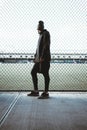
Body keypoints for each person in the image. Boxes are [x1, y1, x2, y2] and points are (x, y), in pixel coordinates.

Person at [27, 21, 51, 99]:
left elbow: (46, 45)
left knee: (45, 74)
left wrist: (42, 57)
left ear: (41, 27)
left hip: (44, 59)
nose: (38, 28)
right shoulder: (41, 35)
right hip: (39, 59)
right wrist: (35, 57)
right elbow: (38, 48)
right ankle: (36, 91)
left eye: (39, 26)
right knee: (33, 72)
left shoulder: (46, 34)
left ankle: (46, 92)